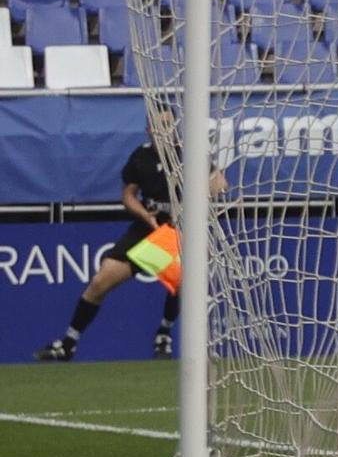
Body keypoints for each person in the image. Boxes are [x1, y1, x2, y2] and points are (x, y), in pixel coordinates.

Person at [33, 117, 226, 361]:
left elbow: (219, 183)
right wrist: (145, 214)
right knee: (101, 280)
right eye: (158, 125)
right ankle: (68, 343)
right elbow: (128, 195)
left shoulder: (189, 154)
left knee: (185, 277)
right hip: (147, 229)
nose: (164, 130)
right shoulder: (140, 157)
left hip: (177, 230)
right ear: (148, 130)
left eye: (169, 124)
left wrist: (193, 201)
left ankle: (165, 333)